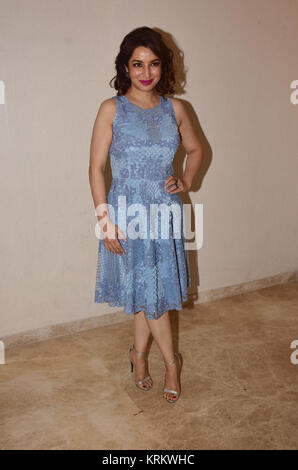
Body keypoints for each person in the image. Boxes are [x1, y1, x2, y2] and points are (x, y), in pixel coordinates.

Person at [89, 26, 203, 404]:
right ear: (125, 66)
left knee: (149, 291)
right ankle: (170, 361)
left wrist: (185, 179)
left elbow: (196, 149)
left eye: (153, 63)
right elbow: (95, 169)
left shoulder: (176, 108)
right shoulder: (111, 108)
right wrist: (104, 220)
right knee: (146, 291)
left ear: (162, 66)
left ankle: (142, 357)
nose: (146, 72)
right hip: (127, 212)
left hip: (165, 210)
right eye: (137, 64)